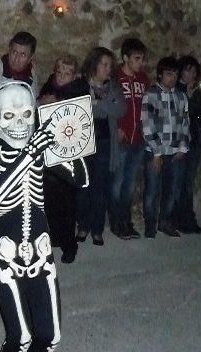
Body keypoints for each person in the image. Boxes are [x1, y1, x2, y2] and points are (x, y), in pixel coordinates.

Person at [0, 80, 87, 352]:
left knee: (51, 337)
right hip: (4, 253)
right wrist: (30, 153)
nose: (20, 123)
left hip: (40, 249)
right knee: (21, 337)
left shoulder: (40, 148)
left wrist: (66, 142)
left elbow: (81, 179)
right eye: (9, 116)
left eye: (27, 114)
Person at [38, 55, 90, 263]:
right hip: (49, 157)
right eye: (59, 72)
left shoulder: (78, 91)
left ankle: (70, 245)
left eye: (67, 73)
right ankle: (57, 237)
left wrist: (57, 102)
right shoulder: (48, 88)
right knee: (49, 202)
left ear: (74, 75)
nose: (62, 77)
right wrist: (43, 103)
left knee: (67, 205)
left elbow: (79, 116)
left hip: (70, 158)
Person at [76, 47, 126, 246]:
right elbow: (82, 108)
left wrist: (97, 103)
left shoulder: (113, 88)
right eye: (104, 64)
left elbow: (120, 109)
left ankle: (97, 229)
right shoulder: (81, 85)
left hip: (105, 143)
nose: (108, 69)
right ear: (94, 64)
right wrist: (103, 105)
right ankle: (82, 226)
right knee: (83, 187)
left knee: (100, 188)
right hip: (84, 143)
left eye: (109, 65)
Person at [141, 56, 190, 238]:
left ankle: (165, 222)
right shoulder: (151, 95)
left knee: (172, 190)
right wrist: (156, 153)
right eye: (169, 74)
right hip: (155, 152)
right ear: (160, 75)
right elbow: (147, 125)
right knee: (152, 190)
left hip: (174, 152)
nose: (173, 78)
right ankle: (150, 224)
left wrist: (182, 147)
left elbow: (185, 123)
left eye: (176, 75)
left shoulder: (181, 96)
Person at [112, 38, 149, 239]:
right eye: (136, 58)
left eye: (142, 59)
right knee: (117, 184)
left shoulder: (143, 80)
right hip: (122, 140)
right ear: (125, 57)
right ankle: (117, 222)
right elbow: (109, 104)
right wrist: (117, 127)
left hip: (139, 140)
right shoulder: (115, 78)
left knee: (130, 184)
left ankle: (125, 221)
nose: (140, 63)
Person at [173, 55, 201, 234]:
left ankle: (188, 218)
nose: (191, 74)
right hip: (180, 143)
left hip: (194, 142)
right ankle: (180, 219)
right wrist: (187, 97)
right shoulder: (174, 89)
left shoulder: (197, 92)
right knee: (179, 183)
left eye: (194, 71)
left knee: (188, 182)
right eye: (188, 70)